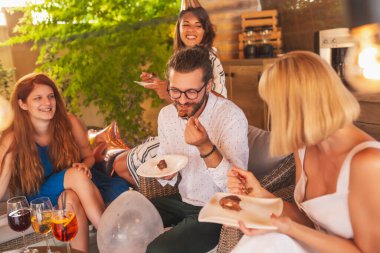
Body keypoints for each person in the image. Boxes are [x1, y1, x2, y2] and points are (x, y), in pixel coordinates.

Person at [227, 51, 380, 253]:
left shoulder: (368, 163)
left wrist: (290, 229)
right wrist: (261, 194)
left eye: (275, 106)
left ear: (297, 108)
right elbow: (309, 221)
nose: (275, 115)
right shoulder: (304, 148)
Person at [145, 46, 248, 253]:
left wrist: (204, 146)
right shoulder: (166, 115)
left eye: (191, 92)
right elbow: (164, 159)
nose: (182, 100)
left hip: (217, 207)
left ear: (208, 86)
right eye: (175, 91)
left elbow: (237, 188)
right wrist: (166, 174)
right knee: (126, 218)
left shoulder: (230, 117)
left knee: (158, 250)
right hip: (182, 199)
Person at [112, 6, 227, 186]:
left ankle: (160, 194)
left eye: (198, 25)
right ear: (178, 28)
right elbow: (182, 106)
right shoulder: (179, 58)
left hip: (201, 135)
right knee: (120, 162)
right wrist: (163, 88)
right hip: (179, 131)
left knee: (120, 164)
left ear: (206, 31)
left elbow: (218, 104)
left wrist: (171, 88)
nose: (191, 30)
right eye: (186, 24)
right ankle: (159, 192)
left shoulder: (211, 60)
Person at [0, 73, 105, 253]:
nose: (47, 103)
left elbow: (89, 156)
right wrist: (9, 156)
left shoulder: (69, 122)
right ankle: (109, 235)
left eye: (50, 96)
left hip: (73, 187)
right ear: (22, 104)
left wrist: (84, 165)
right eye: (38, 98)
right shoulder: (12, 136)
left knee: (69, 198)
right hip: (38, 198)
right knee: (74, 175)